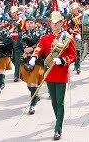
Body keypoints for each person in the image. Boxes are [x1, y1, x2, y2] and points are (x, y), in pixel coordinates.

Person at [30, 7, 77, 140]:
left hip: (61, 73)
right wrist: (34, 57)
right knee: (54, 103)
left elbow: (74, 56)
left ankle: (58, 128)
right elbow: (39, 48)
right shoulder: (46, 38)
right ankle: (59, 120)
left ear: (62, 23)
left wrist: (62, 60)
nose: (55, 25)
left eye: (57, 23)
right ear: (49, 23)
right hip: (49, 73)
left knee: (60, 102)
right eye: (53, 22)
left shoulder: (67, 38)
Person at [17, 16, 44, 114]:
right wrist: (23, 53)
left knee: (33, 83)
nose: (29, 24)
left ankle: (33, 105)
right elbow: (17, 47)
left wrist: (31, 49)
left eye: (31, 22)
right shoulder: (21, 34)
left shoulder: (40, 33)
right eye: (27, 22)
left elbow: (41, 44)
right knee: (29, 84)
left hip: (37, 61)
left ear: (35, 24)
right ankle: (36, 96)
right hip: (24, 61)